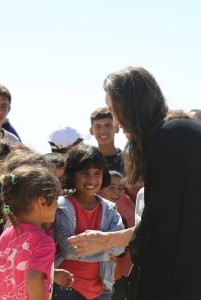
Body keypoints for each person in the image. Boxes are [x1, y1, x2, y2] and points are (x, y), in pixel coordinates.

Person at [69, 66, 201, 300]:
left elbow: (162, 226)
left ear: (130, 104)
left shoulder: (166, 138)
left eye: (114, 110)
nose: (116, 123)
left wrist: (107, 240)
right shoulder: (177, 131)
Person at [53, 144, 124, 300]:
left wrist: (94, 247)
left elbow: (119, 248)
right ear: (72, 175)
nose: (92, 179)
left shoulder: (110, 209)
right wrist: (106, 250)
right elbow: (69, 251)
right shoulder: (62, 207)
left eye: (97, 173)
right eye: (84, 173)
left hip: (102, 288)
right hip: (66, 288)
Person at [0, 165, 62, 300]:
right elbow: (34, 277)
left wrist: (52, 273)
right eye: (55, 199)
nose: (57, 205)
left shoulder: (6, 234)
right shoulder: (43, 241)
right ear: (42, 201)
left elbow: (3, 273)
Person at [99, 170, 135, 300]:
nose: (117, 191)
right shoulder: (94, 210)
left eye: (121, 188)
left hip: (118, 274)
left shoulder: (128, 208)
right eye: (111, 187)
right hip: (93, 275)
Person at [90, 107, 124, 173]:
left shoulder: (129, 161)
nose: (103, 131)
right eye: (98, 126)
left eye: (108, 125)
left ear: (117, 128)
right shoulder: (86, 161)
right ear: (91, 131)